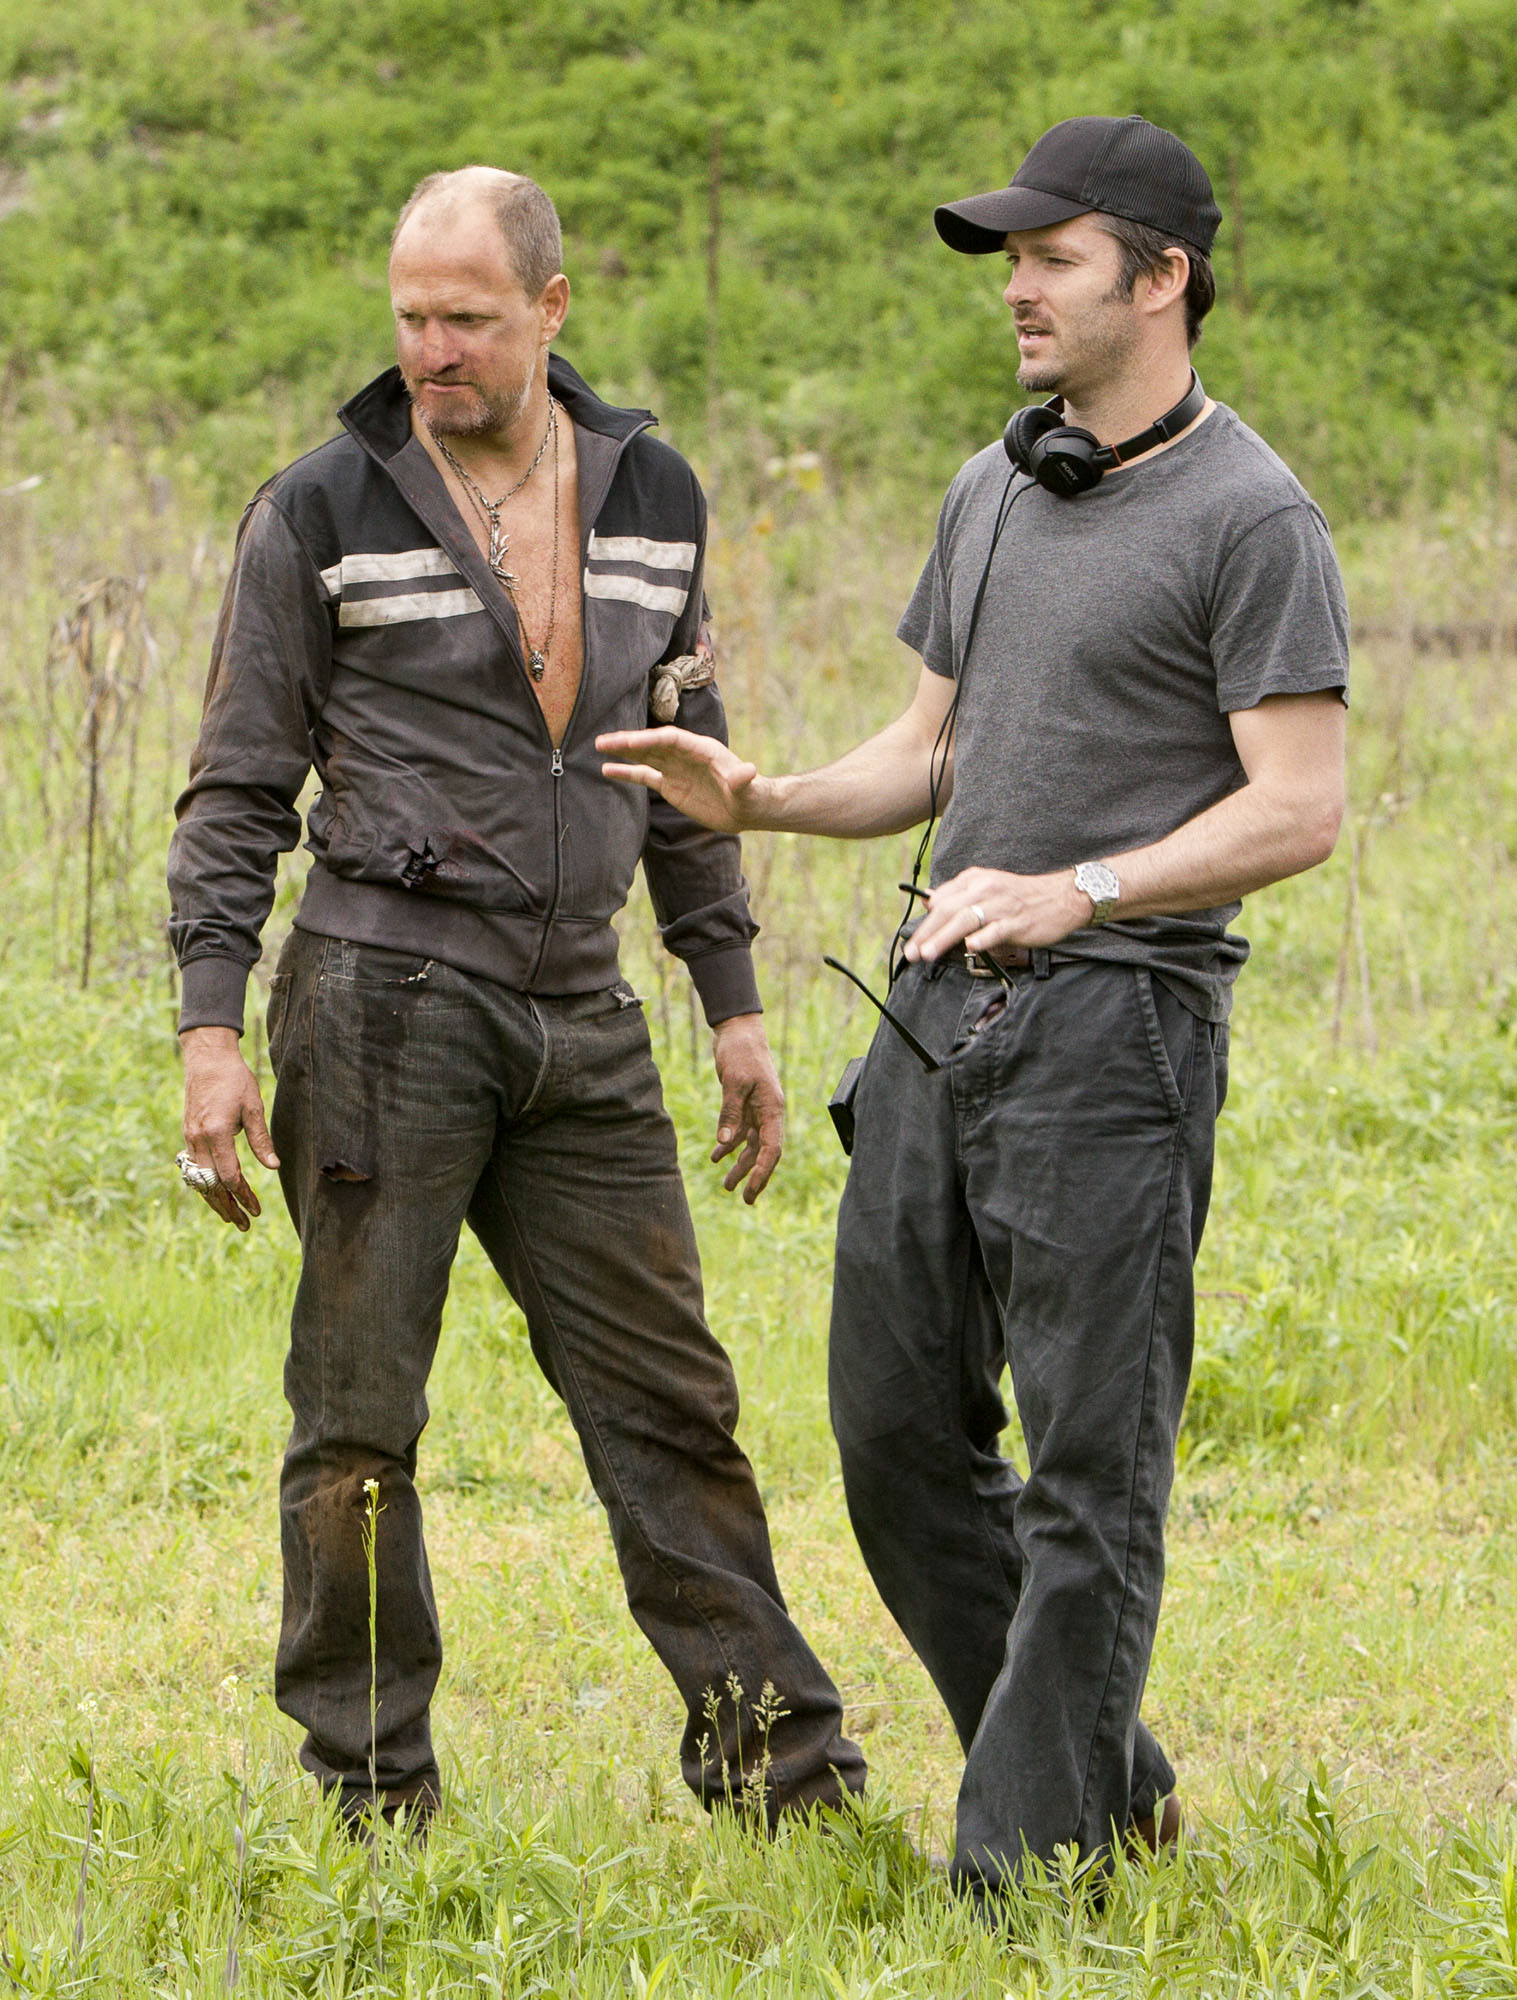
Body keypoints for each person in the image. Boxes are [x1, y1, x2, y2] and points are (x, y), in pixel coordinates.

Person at [596, 116, 1349, 1891]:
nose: (1015, 287)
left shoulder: (1254, 516)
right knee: (894, 1443)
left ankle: (1024, 1874)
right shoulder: (998, 485)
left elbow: (1296, 805)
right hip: (941, 1023)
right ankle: (1114, 1780)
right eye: (1009, 258)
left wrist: (1080, 887)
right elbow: (931, 751)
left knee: (1093, 1472)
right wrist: (761, 794)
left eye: (1054, 258)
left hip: (1117, 1036)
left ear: (1163, 279)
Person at [167, 165, 868, 1830]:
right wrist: (209, 1032)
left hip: (584, 1011)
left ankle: (785, 1782)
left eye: (467, 319)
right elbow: (236, 790)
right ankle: (373, 1795)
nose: (432, 351)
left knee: (673, 1402)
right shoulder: (322, 508)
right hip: (381, 998)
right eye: (410, 318)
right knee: (358, 1422)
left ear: (550, 312)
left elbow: (683, 755)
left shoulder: (653, 493)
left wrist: (736, 999)